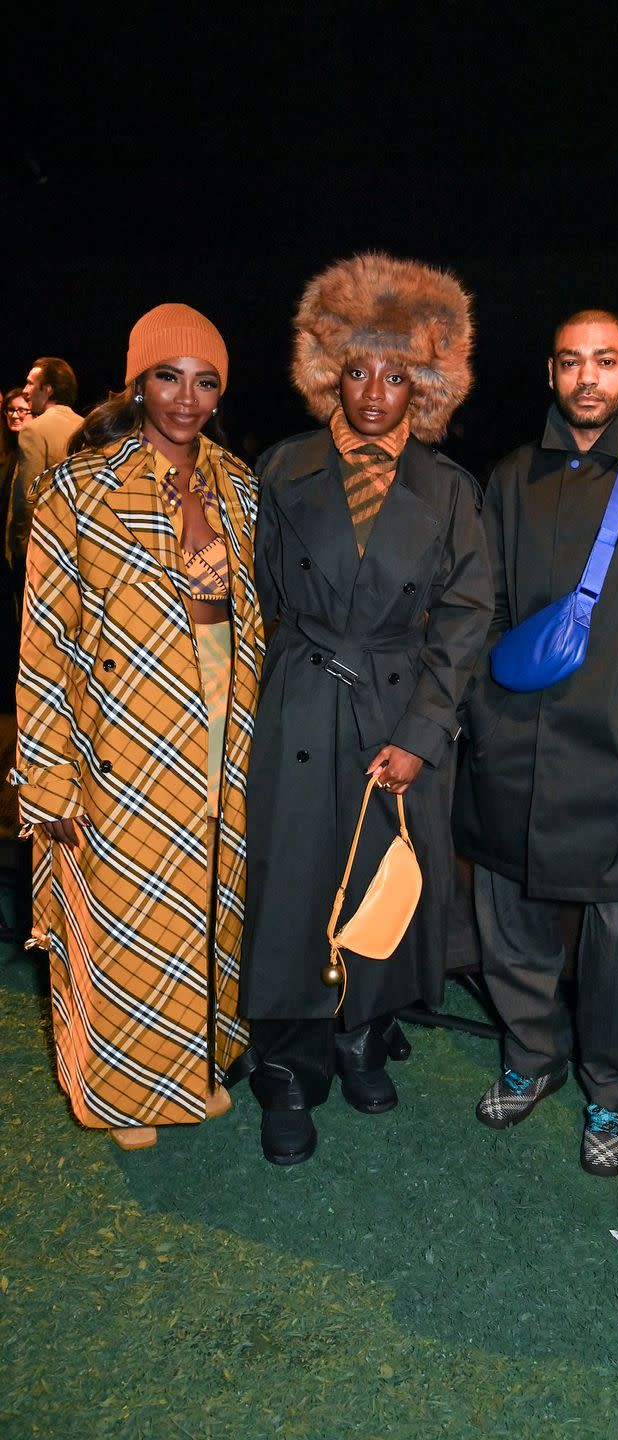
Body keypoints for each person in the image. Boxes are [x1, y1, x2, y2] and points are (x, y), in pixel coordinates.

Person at [453, 309, 618, 1177]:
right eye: (572, 363)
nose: (588, 378)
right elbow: (481, 606)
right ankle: (531, 1056)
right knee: (509, 920)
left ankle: (613, 1086)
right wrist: (483, 713)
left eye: (604, 361)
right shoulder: (508, 477)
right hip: (513, 743)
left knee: (617, 943)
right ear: (551, 372)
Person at [241, 252, 493, 1165]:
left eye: (397, 375)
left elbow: (467, 621)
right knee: (294, 884)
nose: (375, 393)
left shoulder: (451, 491)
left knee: (384, 885)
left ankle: (361, 1032)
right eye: (357, 370)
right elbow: (261, 596)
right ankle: (288, 1069)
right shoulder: (280, 469)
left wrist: (423, 736)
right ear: (327, 374)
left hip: (399, 718)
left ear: (424, 384)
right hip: (301, 707)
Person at [11, 304, 263, 1150]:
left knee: (208, 910)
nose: (186, 399)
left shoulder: (239, 483)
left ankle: (194, 1070)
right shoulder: (79, 488)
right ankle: (123, 1095)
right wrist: (46, 775)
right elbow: (44, 641)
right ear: (137, 381)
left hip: (227, 726)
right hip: (124, 732)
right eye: (168, 376)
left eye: (206, 381)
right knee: (126, 921)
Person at [8, 357, 83, 577]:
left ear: (48, 389)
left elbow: (27, 497)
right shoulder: (87, 426)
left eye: (31, 383)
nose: (25, 390)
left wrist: (21, 543)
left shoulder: (35, 430)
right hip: (79, 549)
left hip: (43, 551)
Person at [0, 388, 33, 700]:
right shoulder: (9, 454)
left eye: (22, 409)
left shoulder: (31, 452)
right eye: (10, 410)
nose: (15, 414)